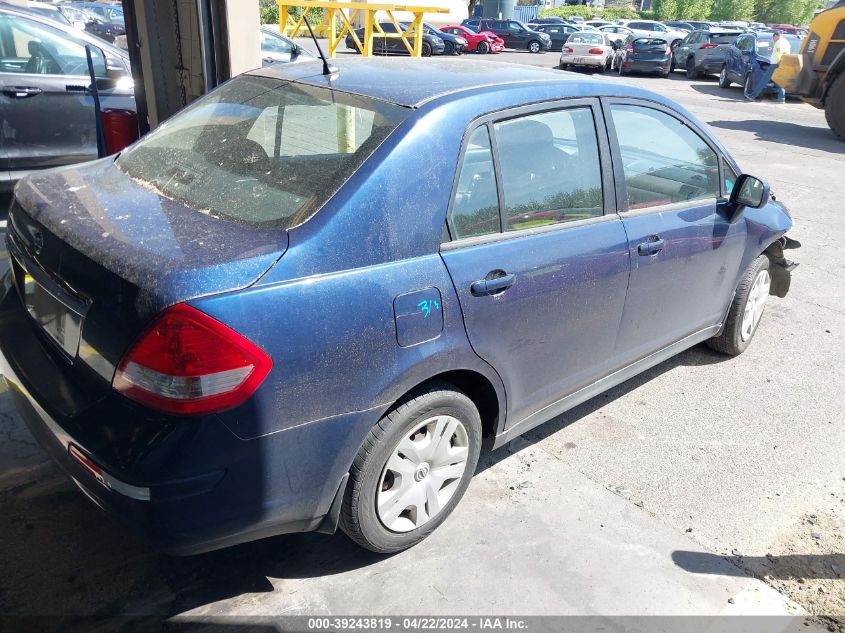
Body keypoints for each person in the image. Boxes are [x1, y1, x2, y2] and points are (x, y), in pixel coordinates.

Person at [745, 32, 791, 103]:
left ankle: (753, 95)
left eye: (773, 38)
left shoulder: (778, 43)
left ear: (776, 36)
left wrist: (778, 63)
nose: (774, 40)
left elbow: (778, 54)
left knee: (764, 80)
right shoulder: (786, 42)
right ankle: (781, 98)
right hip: (783, 64)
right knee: (781, 81)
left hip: (775, 64)